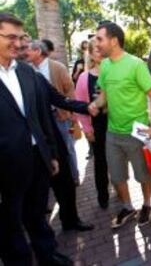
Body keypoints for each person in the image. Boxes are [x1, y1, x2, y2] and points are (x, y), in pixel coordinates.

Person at [0, 13, 72, 266]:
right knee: (9, 226)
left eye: (21, 37)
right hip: (5, 168)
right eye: (11, 37)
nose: (18, 44)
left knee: (37, 215)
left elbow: (41, 117)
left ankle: (47, 256)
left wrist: (51, 154)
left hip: (37, 160)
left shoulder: (27, 72)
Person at [18, 37, 95, 232]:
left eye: (25, 44)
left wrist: (89, 107)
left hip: (51, 139)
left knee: (66, 184)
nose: (23, 48)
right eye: (21, 43)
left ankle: (71, 221)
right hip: (26, 149)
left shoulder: (33, 76)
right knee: (35, 196)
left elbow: (60, 99)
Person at [90, 22, 151, 229]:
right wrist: (95, 104)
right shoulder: (104, 66)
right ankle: (128, 207)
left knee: (143, 174)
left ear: (114, 41)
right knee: (117, 176)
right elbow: (104, 95)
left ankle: (147, 205)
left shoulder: (136, 64)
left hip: (137, 131)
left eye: (100, 38)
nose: (97, 43)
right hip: (112, 132)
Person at [26, 40, 81, 185]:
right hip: (41, 120)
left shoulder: (58, 67)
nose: (26, 52)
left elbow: (69, 89)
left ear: (38, 51)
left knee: (68, 148)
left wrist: (73, 113)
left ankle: (74, 176)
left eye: (29, 50)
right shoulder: (27, 70)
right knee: (49, 150)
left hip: (60, 116)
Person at [76, 39, 110, 209]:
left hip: (118, 125)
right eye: (96, 49)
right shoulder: (84, 78)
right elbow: (81, 106)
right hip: (98, 127)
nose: (100, 51)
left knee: (118, 162)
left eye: (101, 47)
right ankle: (103, 195)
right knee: (101, 163)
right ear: (90, 54)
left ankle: (121, 189)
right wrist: (87, 129)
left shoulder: (116, 72)